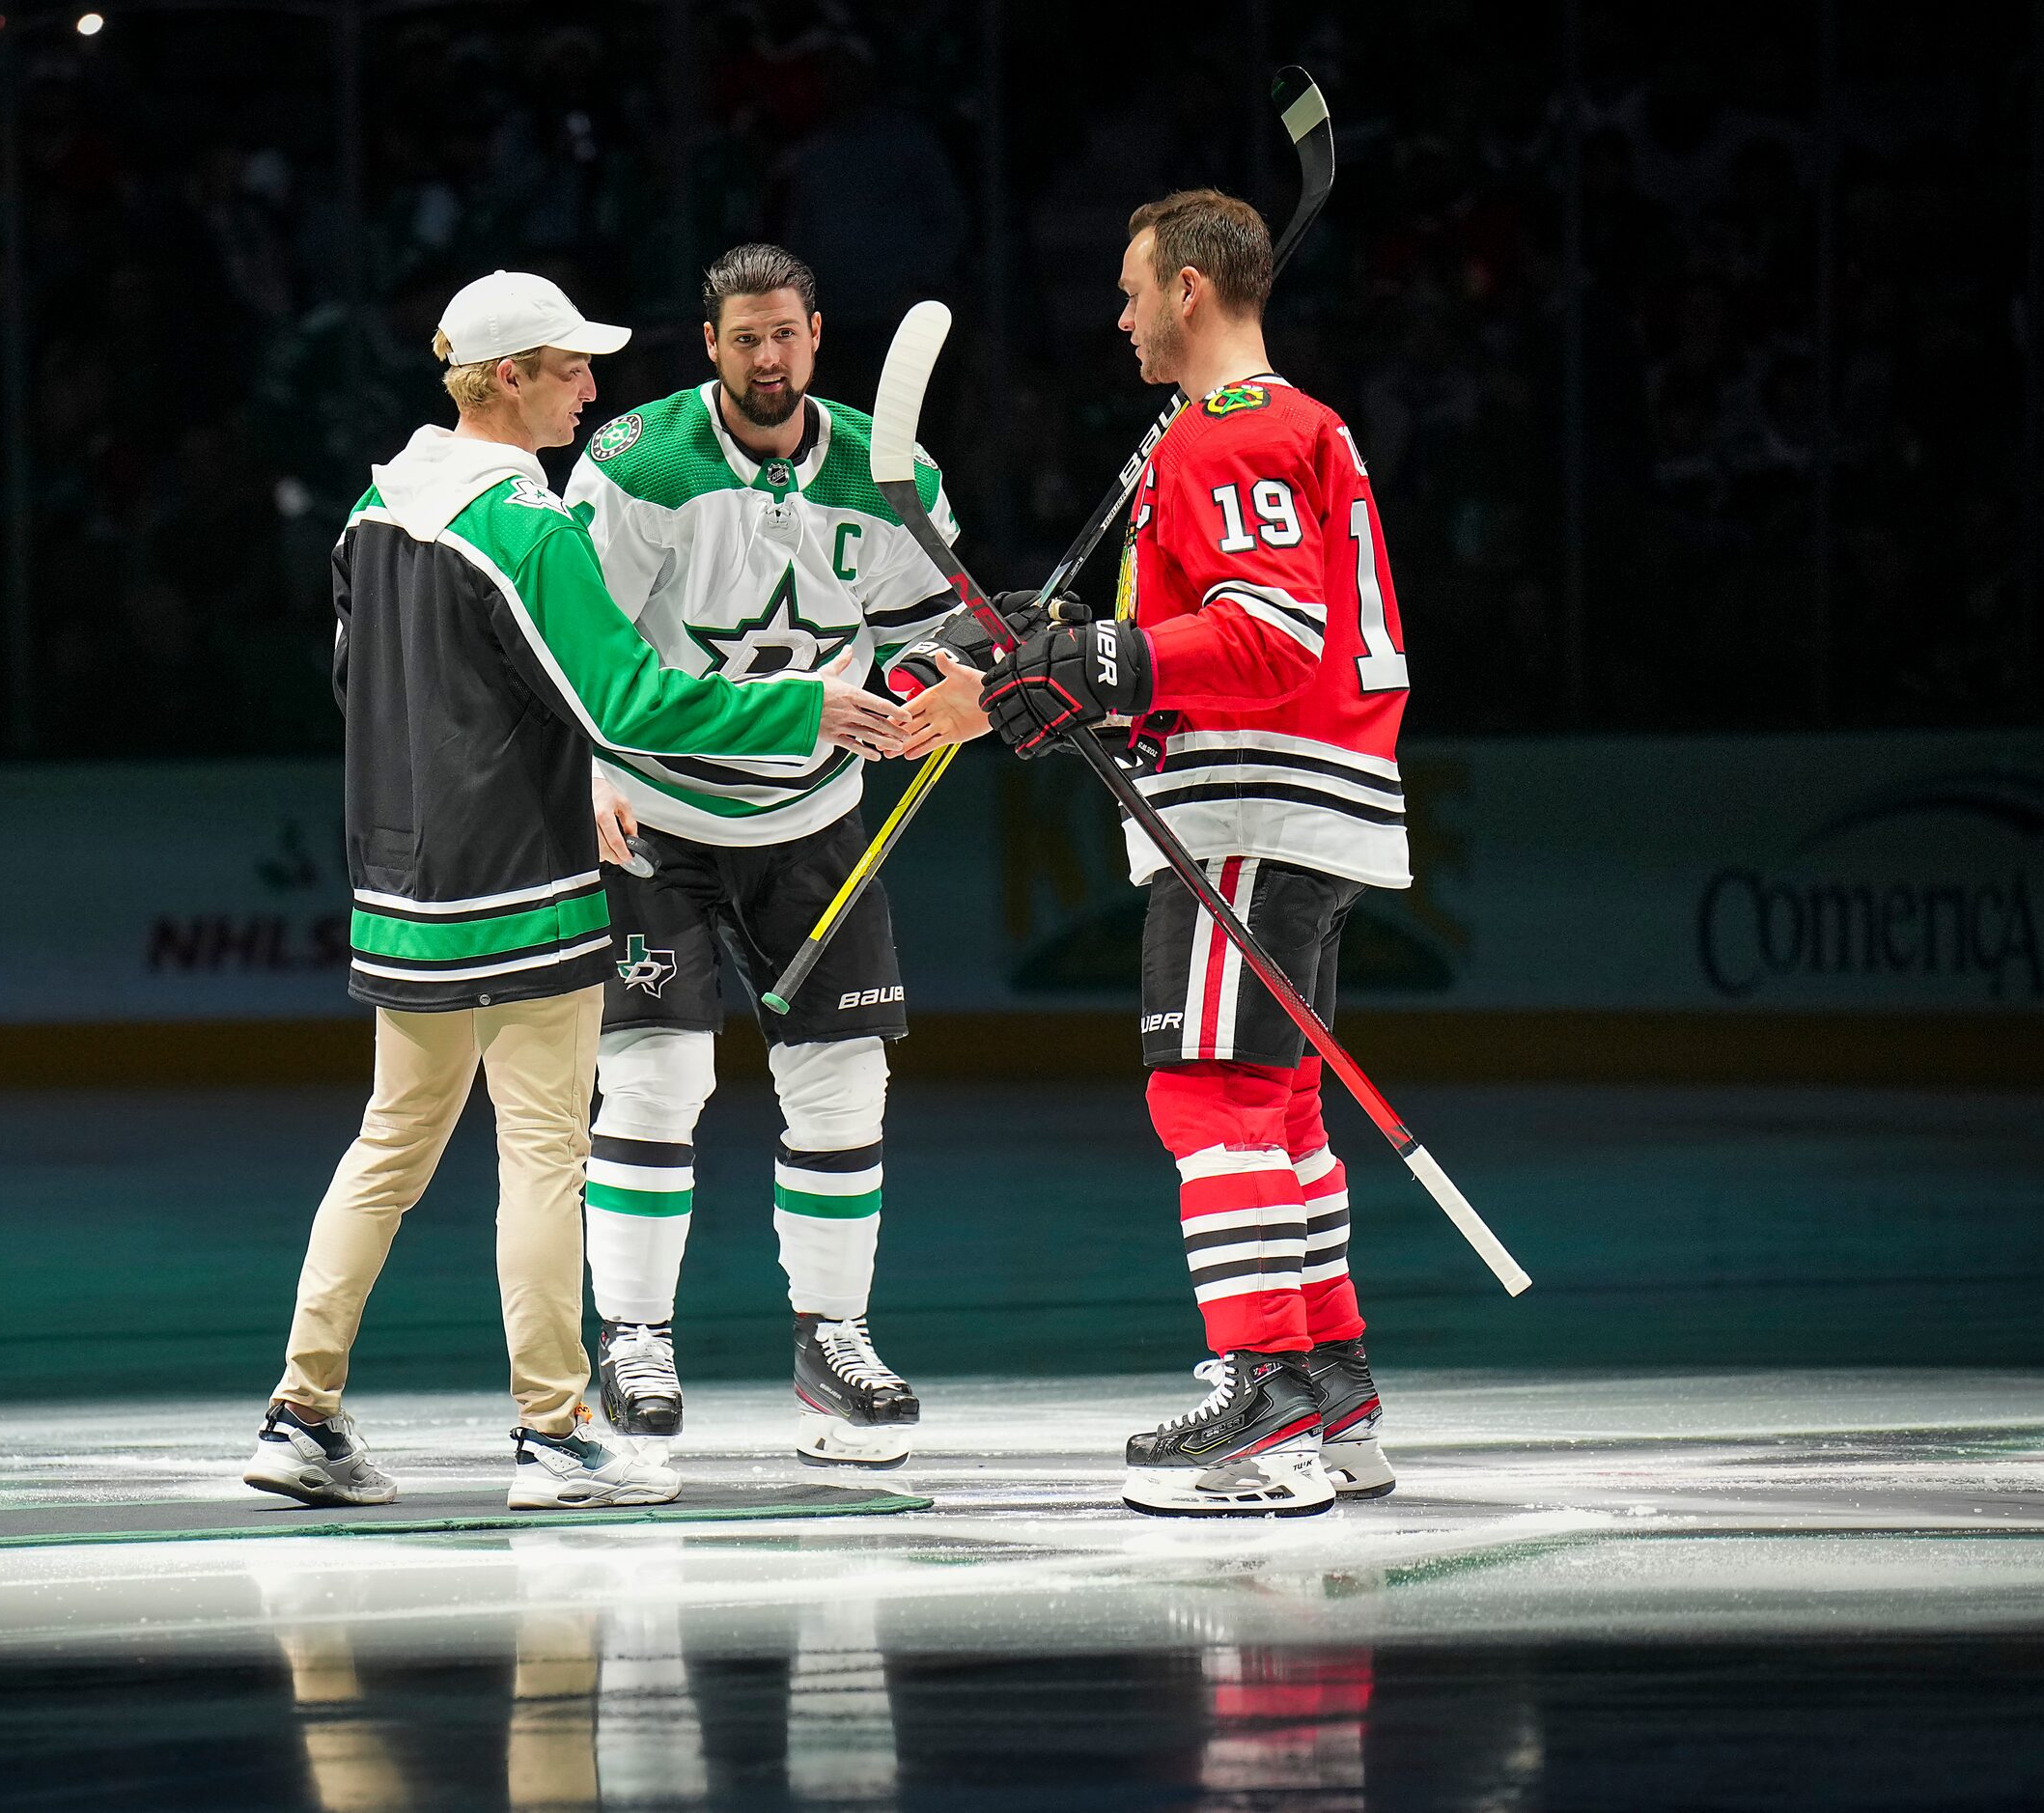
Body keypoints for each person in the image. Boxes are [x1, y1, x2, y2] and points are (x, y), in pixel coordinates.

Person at [244, 270, 910, 1512]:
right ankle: (554, 1431)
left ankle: (301, 1412)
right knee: (543, 1153)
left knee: (391, 1145)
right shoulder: (524, 526)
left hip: (401, 882)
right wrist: (803, 703)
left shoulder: (375, 507)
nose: (591, 388)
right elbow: (630, 703)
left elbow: (350, 677)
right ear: (507, 378)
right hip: (525, 882)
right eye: (567, 367)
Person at [899, 190, 1410, 1518]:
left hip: (1252, 808)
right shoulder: (1279, 427)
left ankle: (1263, 1406)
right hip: (1306, 798)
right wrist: (1056, 661)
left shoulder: (1230, 434)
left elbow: (1265, 636)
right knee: (1276, 1102)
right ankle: (1328, 1385)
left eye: (1132, 291)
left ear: (1190, 289)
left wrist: (1101, 659)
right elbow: (1193, 639)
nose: (1118, 317)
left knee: (1208, 1096)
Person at [565, 244, 963, 1467]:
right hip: (657, 813)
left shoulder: (889, 471)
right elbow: (567, 641)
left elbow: (928, 636)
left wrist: (929, 694)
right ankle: (632, 1342)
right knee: (655, 1078)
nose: (767, 357)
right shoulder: (638, 465)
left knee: (844, 1082)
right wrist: (575, 775)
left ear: (815, 334)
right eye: (745, 338)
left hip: (815, 817)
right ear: (711, 345)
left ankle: (831, 1343)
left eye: (785, 334)